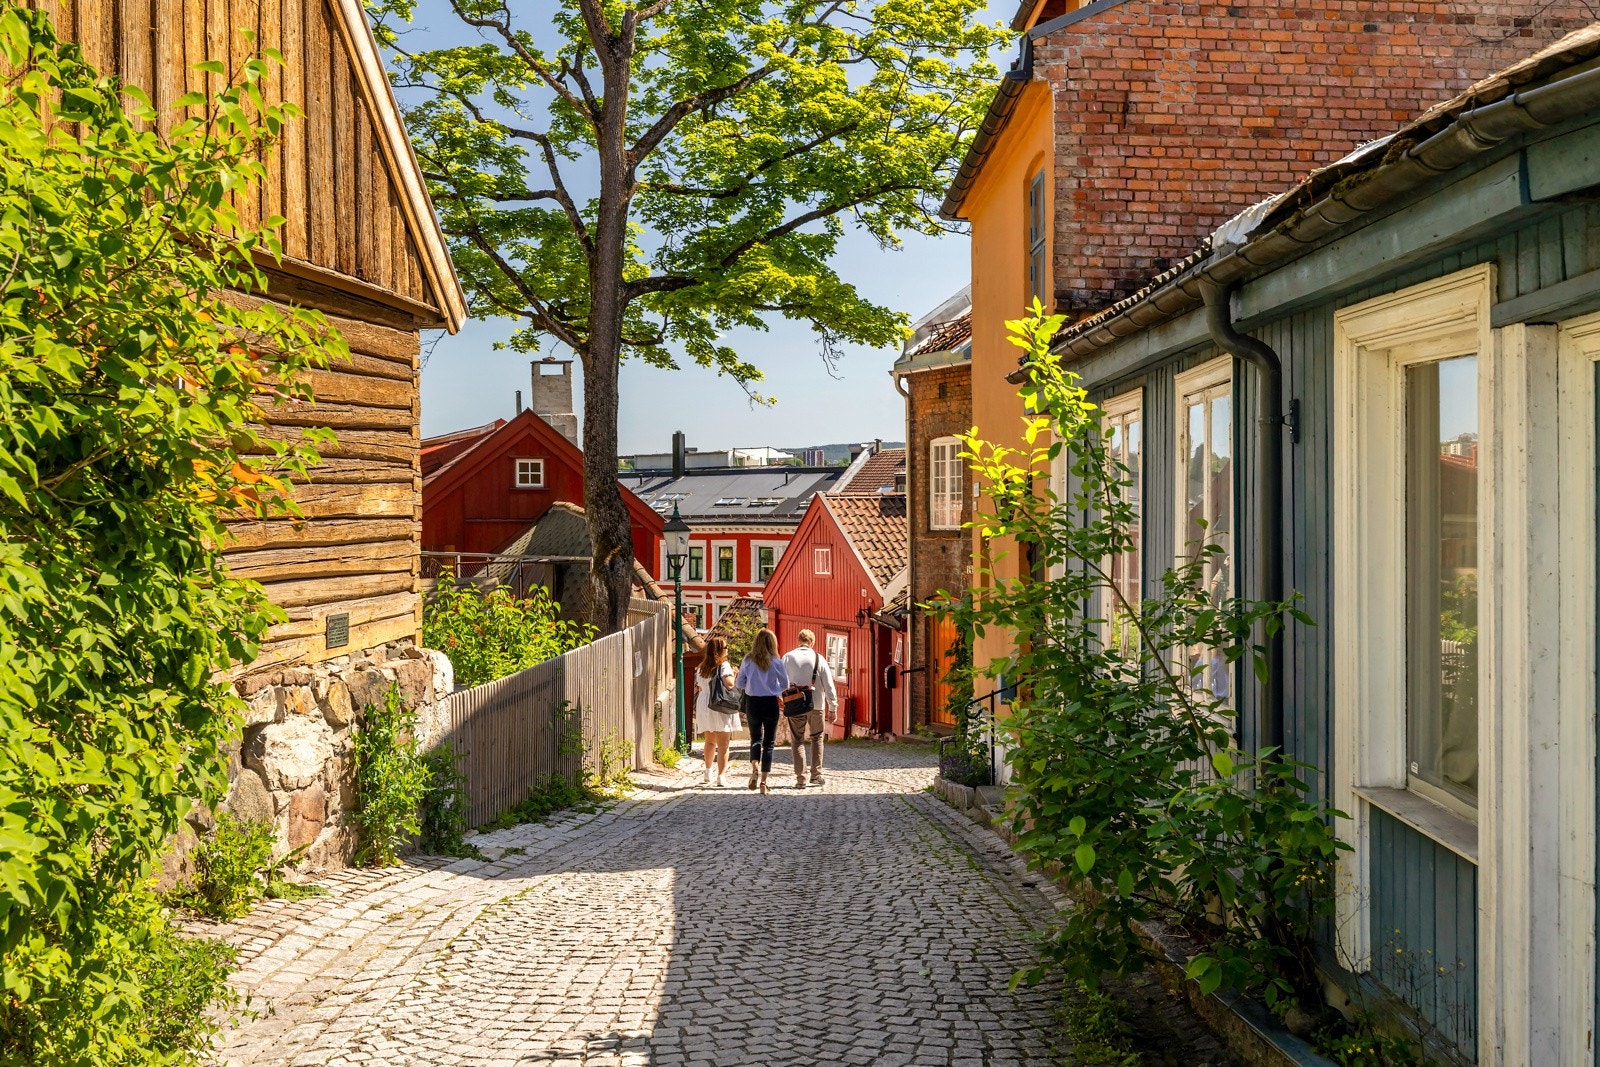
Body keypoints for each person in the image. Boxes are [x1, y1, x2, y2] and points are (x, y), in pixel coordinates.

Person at [734, 629, 788, 795]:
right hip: (770, 702)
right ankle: (764, 782)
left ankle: (754, 770)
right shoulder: (776, 662)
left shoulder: (748, 660)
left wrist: (752, 685)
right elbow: (785, 684)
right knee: (769, 743)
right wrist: (773, 689)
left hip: (753, 702)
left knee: (755, 738)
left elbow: (739, 683)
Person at [781, 630, 837, 789]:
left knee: (797, 740)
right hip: (817, 705)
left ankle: (800, 779)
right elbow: (829, 685)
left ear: (798, 641)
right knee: (817, 738)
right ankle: (816, 774)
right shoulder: (819, 658)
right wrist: (833, 707)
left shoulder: (787, 657)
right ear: (812, 642)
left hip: (795, 705)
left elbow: (780, 682)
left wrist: (784, 698)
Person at [695, 636, 739, 787]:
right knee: (723, 744)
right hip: (719, 703)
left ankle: (708, 771)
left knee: (709, 741)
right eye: (726, 647)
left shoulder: (701, 667)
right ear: (720, 650)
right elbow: (730, 684)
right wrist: (734, 674)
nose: (727, 650)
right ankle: (721, 775)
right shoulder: (724, 666)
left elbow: (700, 687)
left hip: (704, 702)